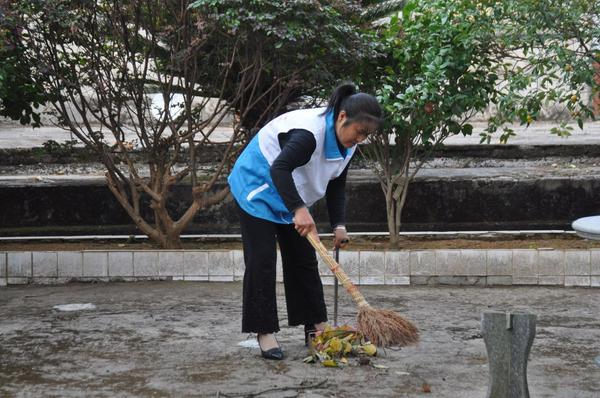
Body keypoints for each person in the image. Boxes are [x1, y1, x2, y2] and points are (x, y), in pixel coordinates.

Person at [228, 83, 383, 360]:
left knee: (303, 259)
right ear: (342, 117)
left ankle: (314, 326)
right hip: (257, 185)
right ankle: (264, 331)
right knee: (262, 258)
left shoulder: (348, 145)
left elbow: (337, 184)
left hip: (289, 192)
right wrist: (299, 209)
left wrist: (339, 225)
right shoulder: (309, 135)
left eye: (366, 135)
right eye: (360, 132)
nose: (360, 139)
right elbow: (280, 168)